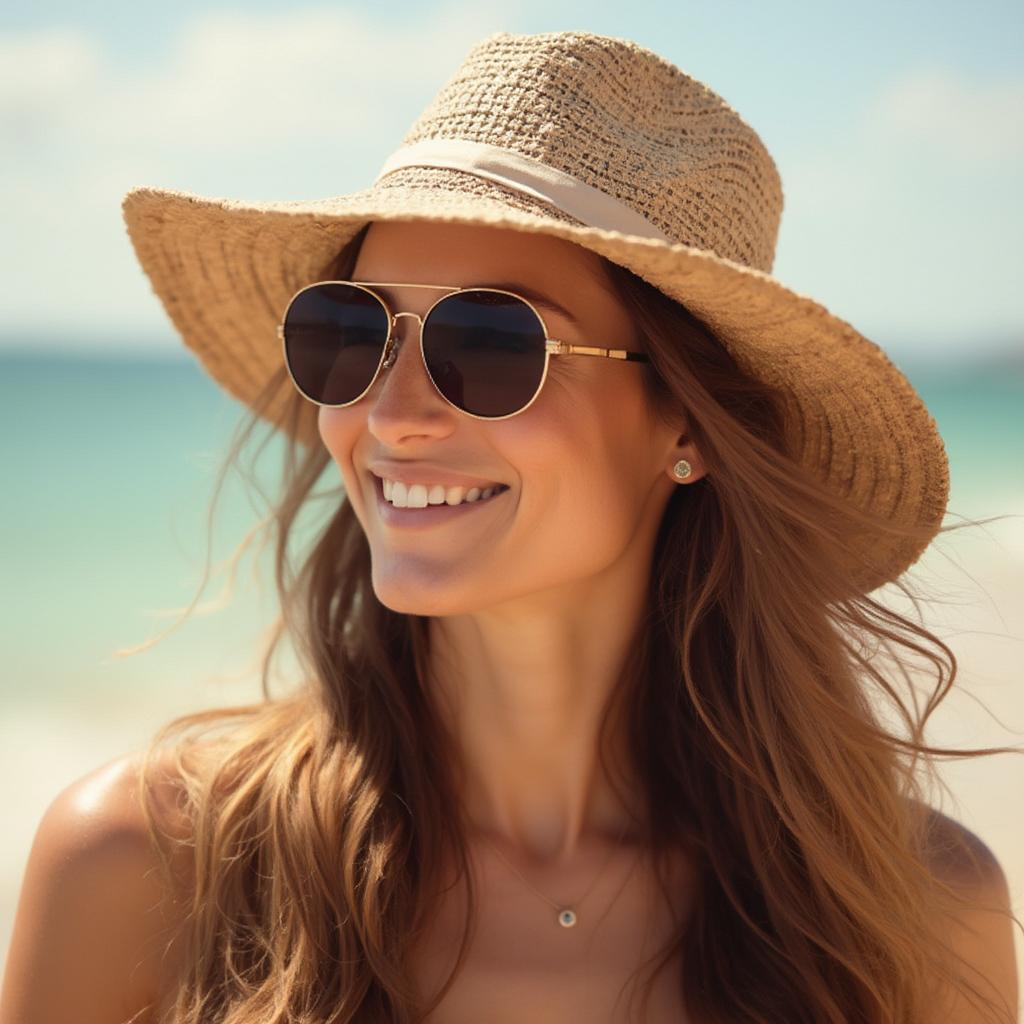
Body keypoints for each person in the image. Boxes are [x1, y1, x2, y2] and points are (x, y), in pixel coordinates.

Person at [1, 29, 1019, 1024]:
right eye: (350, 334)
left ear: (687, 424)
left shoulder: (915, 917)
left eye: (490, 342)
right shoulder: (143, 864)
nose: (393, 415)